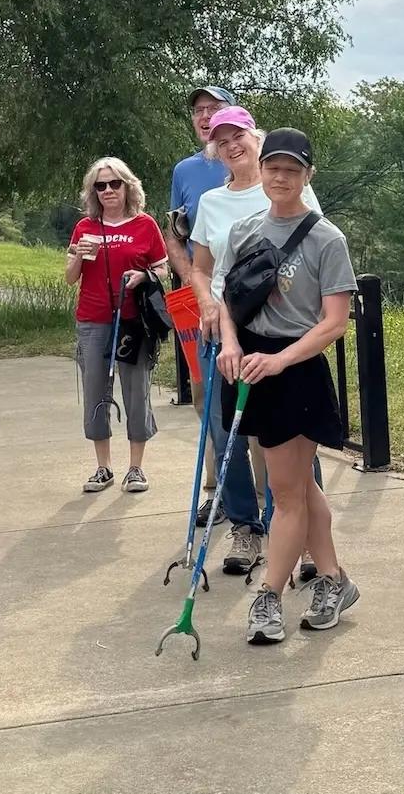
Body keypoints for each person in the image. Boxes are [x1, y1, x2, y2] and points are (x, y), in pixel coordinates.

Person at [213, 128, 358, 645]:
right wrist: (229, 344)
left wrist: (280, 361)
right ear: (262, 168)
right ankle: (334, 579)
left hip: (294, 369)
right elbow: (227, 300)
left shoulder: (327, 240)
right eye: (273, 166)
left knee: (284, 493)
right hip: (249, 363)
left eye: (291, 169)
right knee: (299, 485)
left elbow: (334, 322)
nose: (280, 176)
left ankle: (269, 594)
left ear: (307, 176)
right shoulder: (244, 231)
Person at [189, 105, 323, 578]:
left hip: (287, 335)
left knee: (293, 439)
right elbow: (204, 270)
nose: (231, 145)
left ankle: (303, 536)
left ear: (256, 139)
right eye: (221, 139)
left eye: (238, 135)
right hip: (231, 330)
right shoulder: (210, 203)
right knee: (232, 431)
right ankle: (247, 526)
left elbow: (313, 255)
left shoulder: (290, 187)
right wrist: (207, 304)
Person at [67, 157, 169, 492]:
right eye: (101, 185)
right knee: (96, 390)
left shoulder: (145, 225)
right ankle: (103, 467)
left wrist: (144, 276)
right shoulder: (84, 228)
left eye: (115, 184)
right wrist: (79, 255)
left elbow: (164, 269)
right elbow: (70, 279)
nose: (108, 190)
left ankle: (136, 468)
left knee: (136, 392)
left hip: (132, 322)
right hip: (93, 320)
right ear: (93, 192)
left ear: (127, 186)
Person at [165, 85, 235, 525]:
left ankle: (267, 498)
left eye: (214, 109)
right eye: (199, 111)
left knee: (247, 395)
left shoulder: (252, 161)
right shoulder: (185, 171)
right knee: (205, 395)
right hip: (198, 298)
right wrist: (193, 282)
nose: (205, 117)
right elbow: (174, 232)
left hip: (247, 301)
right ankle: (219, 491)